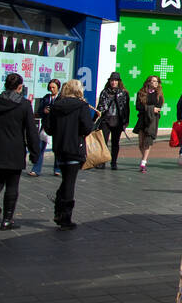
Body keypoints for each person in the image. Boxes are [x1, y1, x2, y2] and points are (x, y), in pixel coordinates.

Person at [0, 73, 39, 231]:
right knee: (12, 185)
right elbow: (31, 131)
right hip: (14, 150)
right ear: (19, 87)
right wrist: (35, 153)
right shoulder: (24, 105)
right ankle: (7, 220)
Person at [49, 80, 95, 230]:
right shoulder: (81, 106)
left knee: (66, 179)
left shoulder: (56, 105)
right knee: (69, 182)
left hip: (60, 147)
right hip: (75, 147)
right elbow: (87, 127)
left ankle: (59, 209)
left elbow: (49, 128)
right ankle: (65, 217)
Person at [97, 72, 131, 171]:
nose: (113, 82)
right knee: (103, 141)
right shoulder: (105, 92)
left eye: (116, 80)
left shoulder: (123, 93)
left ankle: (114, 162)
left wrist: (126, 121)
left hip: (118, 120)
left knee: (115, 142)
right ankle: (102, 161)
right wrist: (95, 117)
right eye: (112, 80)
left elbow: (126, 108)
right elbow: (100, 106)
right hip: (106, 119)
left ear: (119, 82)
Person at [29, 79, 61, 177]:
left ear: (58, 88)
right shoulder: (46, 98)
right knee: (40, 147)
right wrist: (44, 111)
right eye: (50, 87)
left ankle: (57, 169)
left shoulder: (61, 99)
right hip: (46, 125)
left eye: (53, 88)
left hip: (57, 126)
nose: (51, 89)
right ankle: (36, 169)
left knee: (58, 149)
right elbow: (39, 111)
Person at [133, 75, 163, 173]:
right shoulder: (141, 93)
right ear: (148, 82)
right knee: (141, 143)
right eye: (153, 81)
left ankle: (143, 162)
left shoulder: (159, 95)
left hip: (153, 120)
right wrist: (150, 109)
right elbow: (138, 106)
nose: (155, 83)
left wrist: (151, 109)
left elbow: (158, 108)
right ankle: (144, 158)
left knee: (148, 141)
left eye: (157, 81)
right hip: (142, 119)